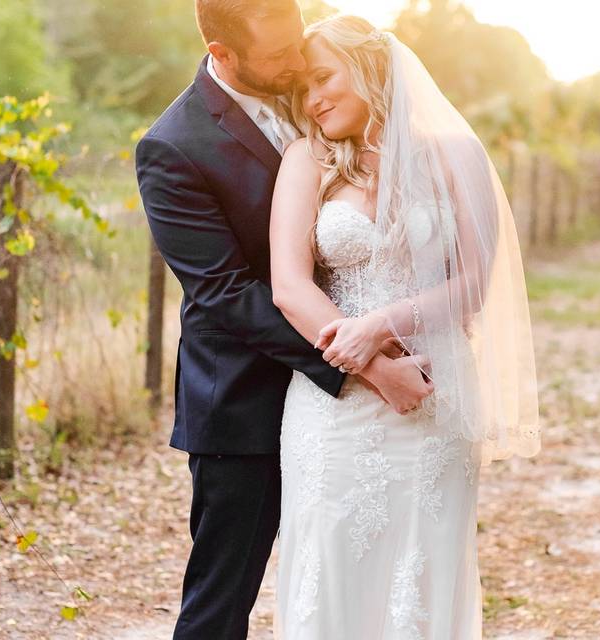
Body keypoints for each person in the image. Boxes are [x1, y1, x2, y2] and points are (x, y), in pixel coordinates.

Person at [134, 2, 432, 638]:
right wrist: (366, 369)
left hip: (350, 413)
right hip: (243, 400)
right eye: (280, 58)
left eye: (299, 47)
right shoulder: (173, 146)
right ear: (224, 56)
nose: (298, 65)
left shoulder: (319, 94)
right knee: (222, 598)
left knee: (355, 580)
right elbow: (226, 292)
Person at [269, 15, 542, 639]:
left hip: (435, 396)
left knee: (422, 564)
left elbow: (474, 280)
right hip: (334, 405)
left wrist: (385, 322)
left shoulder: (456, 154)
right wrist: (366, 356)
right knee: (329, 562)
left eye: (322, 79)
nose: (313, 101)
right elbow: (290, 286)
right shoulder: (306, 160)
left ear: (369, 68)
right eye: (303, 93)